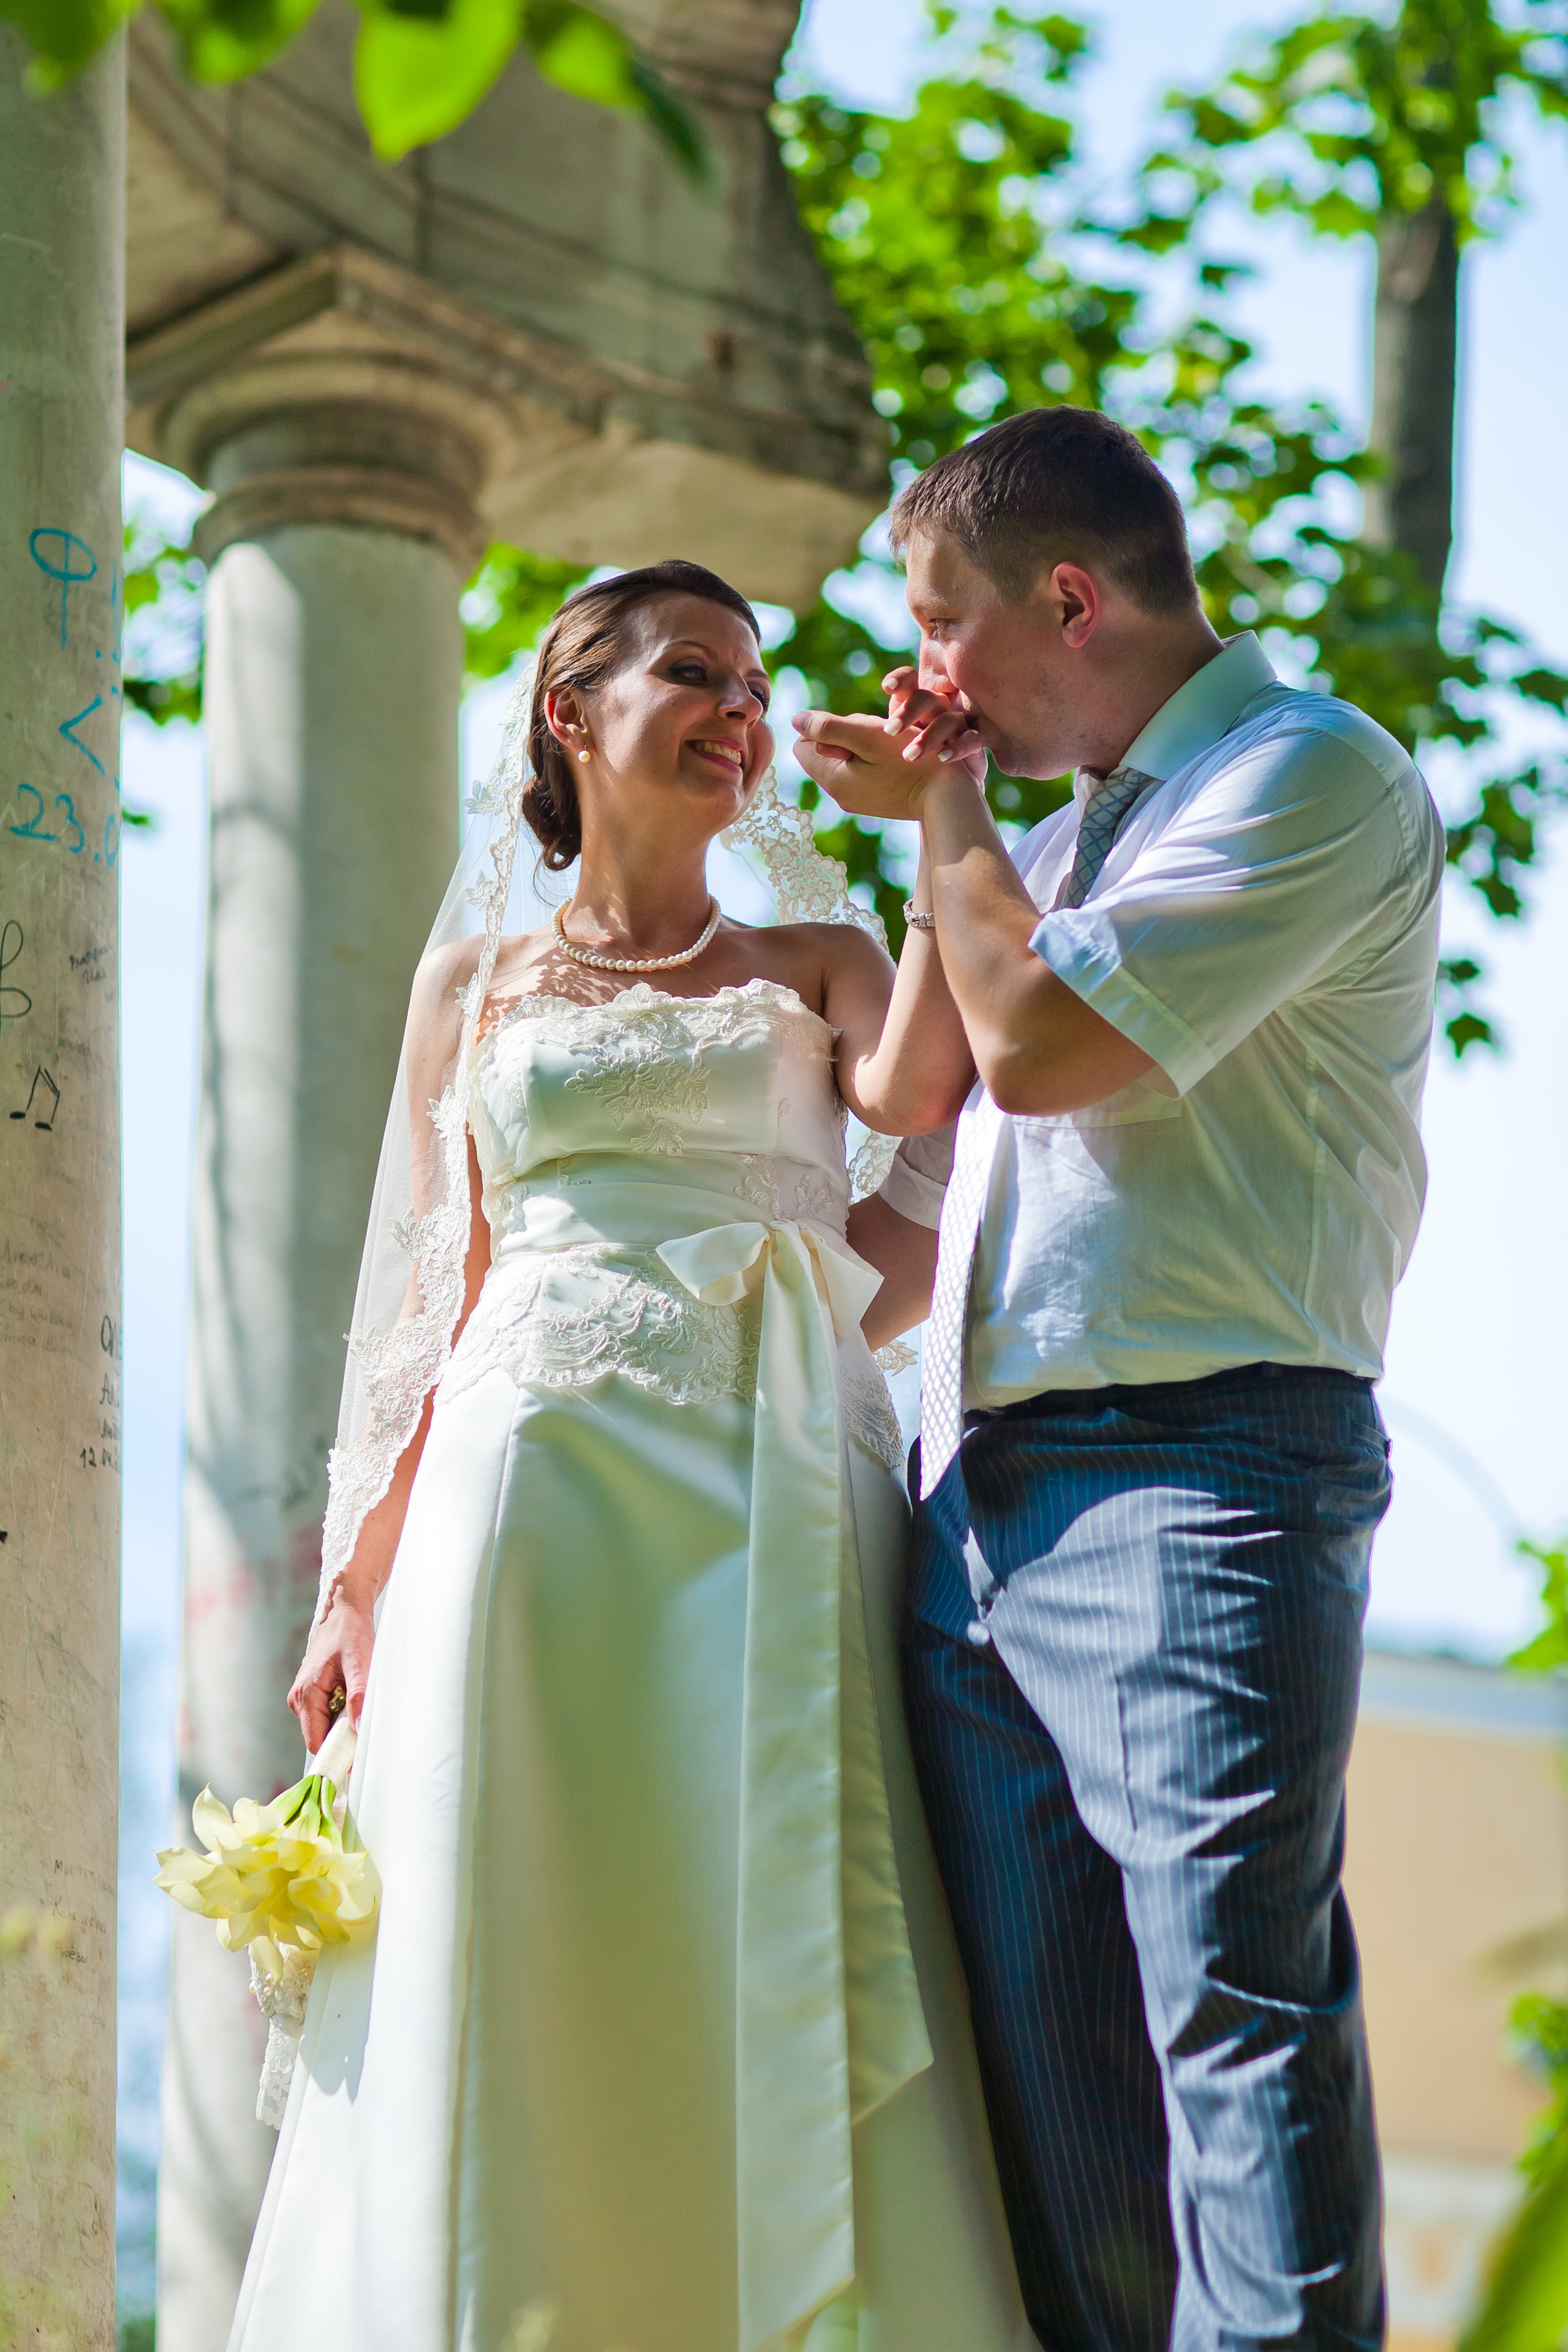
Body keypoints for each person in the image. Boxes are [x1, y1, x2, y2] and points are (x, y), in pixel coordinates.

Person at [227, 562, 1035, 2352]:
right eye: (692, 671)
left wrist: (928, 816)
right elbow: (431, 1293)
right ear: (566, 713)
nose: (738, 709)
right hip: (527, 1494)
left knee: (769, 1890)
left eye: (752, 681)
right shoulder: (471, 985)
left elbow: (911, 1108)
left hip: (776, 1470)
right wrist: (354, 1590)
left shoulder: (818, 958)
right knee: (522, 1904)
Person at [794, 405, 1444, 2352]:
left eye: (943, 629)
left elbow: (1052, 1049)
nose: (929, 682)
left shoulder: (1309, 771)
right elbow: (920, 1100)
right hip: (973, 1494)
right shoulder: (1056, 835)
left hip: (1200, 1469)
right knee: (1052, 2081)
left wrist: (945, 818)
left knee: (1233, 2027)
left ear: (1067, 597)